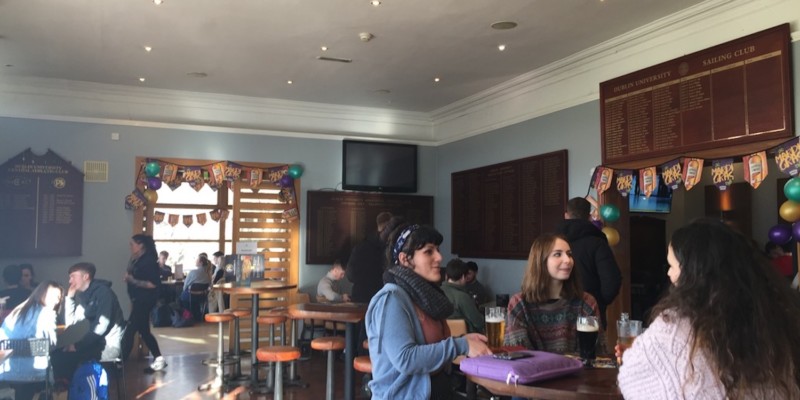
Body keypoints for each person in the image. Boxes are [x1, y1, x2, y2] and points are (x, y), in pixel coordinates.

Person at [618, 219, 800, 399]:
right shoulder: (773, 317)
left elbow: (633, 379)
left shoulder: (673, 326)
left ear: (692, 273)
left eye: (672, 266)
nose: (668, 273)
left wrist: (637, 354)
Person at [366, 221, 492, 400]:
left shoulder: (426, 297)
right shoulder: (392, 299)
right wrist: (460, 345)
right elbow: (405, 359)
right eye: (428, 251)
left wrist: (464, 339)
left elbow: (431, 347)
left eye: (437, 250)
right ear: (405, 259)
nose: (439, 257)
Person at [504, 233, 604, 355]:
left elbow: (597, 353)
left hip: (577, 368)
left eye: (569, 254)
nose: (568, 260)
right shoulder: (519, 304)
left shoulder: (586, 303)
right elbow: (519, 356)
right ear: (540, 261)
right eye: (557, 254)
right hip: (534, 368)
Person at [555, 197, 621, 328]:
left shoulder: (552, 243)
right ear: (589, 217)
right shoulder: (598, 243)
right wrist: (599, 302)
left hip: (556, 312)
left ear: (566, 215)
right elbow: (612, 280)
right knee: (591, 341)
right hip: (591, 313)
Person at [55, 262, 125, 380]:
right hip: (96, 343)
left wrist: (78, 346)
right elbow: (70, 320)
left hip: (108, 346)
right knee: (57, 354)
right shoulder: (87, 296)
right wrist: (70, 298)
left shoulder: (103, 293)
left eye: (73, 276)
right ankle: (66, 388)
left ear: (85, 276)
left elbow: (101, 326)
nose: (70, 281)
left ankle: (72, 388)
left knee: (63, 358)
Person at [0, 281, 62, 400]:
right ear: (41, 294)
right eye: (53, 296)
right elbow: (51, 345)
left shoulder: (19, 310)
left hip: (6, 369)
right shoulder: (47, 313)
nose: (56, 300)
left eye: (59, 297)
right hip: (31, 373)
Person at [121, 234, 166, 372]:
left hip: (144, 301)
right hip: (138, 300)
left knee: (130, 331)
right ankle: (159, 359)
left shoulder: (148, 261)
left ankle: (119, 363)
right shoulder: (136, 259)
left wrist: (132, 280)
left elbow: (153, 284)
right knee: (144, 331)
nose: (130, 246)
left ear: (141, 245)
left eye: (132, 244)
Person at [347, 211, 393, 303]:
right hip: (383, 299)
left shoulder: (360, 247)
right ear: (389, 226)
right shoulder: (391, 247)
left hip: (360, 298)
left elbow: (350, 276)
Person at [440, 258, 484, 334]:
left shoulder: (436, 291)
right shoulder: (462, 297)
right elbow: (479, 323)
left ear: (446, 276)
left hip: (442, 336)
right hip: (466, 337)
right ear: (463, 277)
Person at [180, 253, 213, 319]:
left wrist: (184, 290)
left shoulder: (193, 272)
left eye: (197, 260)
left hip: (190, 296)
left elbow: (185, 286)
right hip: (202, 297)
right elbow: (210, 285)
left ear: (201, 263)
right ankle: (196, 314)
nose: (195, 261)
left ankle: (187, 314)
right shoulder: (208, 274)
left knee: (181, 296)